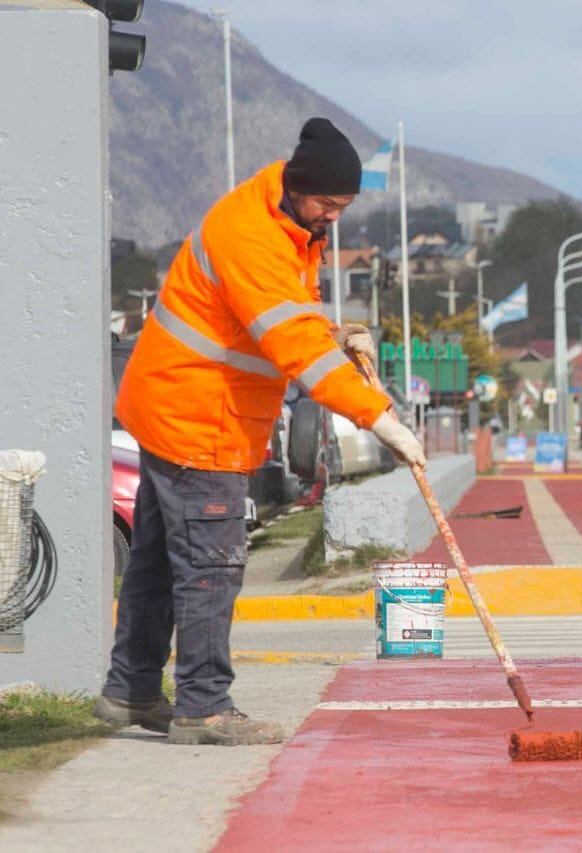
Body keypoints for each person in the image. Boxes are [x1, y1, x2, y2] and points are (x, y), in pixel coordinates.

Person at [94, 118, 427, 745]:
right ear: (299, 186)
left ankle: (131, 690)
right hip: (200, 417)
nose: (333, 217)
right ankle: (203, 706)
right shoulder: (249, 233)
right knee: (210, 566)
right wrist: (380, 418)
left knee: (159, 565)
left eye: (343, 207)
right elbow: (291, 342)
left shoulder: (291, 223)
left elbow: (280, 316)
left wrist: (336, 332)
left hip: (177, 404)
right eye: (328, 204)